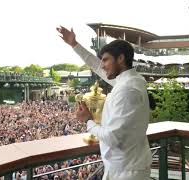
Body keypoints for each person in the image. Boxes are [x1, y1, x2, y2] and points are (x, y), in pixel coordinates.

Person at [57, 26, 152, 180]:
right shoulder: (132, 80)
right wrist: (75, 44)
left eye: (106, 59)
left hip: (126, 172)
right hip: (126, 167)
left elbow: (113, 138)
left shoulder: (127, 90)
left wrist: (88, 120)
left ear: (121, 59)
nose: (102, 65)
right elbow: (96, 66)